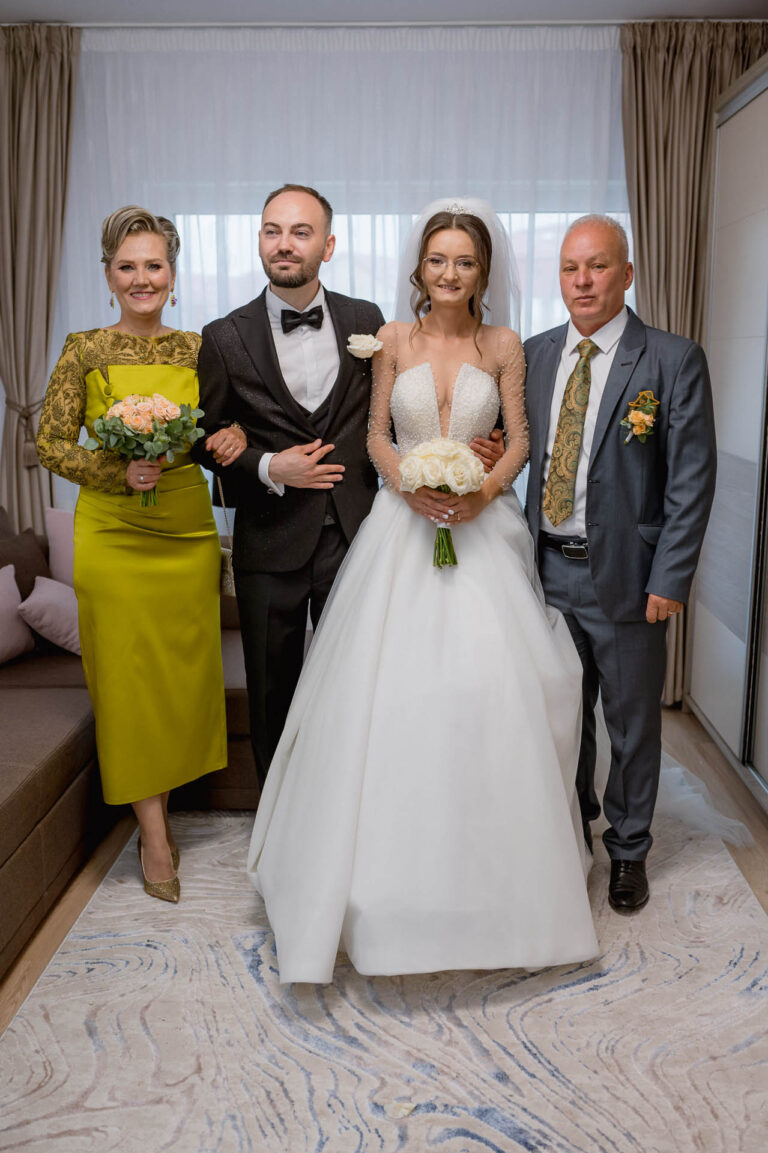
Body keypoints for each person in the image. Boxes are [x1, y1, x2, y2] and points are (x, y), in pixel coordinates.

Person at [246, 200, 599, 984]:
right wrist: (409, 486)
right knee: (389, 698)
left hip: (482, 529)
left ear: (482, 272)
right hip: (400, 528)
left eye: (464, 262)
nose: (449, 273)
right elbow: (376, 433)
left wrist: (479, 492)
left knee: (487, 693)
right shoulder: (392, 339)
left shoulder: (503, 344)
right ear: (419, 268)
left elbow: (520, 440)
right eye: (438, 260)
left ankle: (496, 876)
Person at [193, 184, 505, 789]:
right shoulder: (223, 335)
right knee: (272, 697)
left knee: (363, 690)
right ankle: (277, 823)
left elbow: (404, 410)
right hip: (270, 540)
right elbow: (205, 438)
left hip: (361, 536)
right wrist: (267, 466)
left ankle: (350, 811)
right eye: (272, 231)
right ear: (259, 240)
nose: (285, 244)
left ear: (328, 245)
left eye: (301, 232)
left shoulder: (368, 321)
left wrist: (481, 443)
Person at [37, 206, 245, 903]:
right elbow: (50, 441)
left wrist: (235, 440)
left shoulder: (199, 348)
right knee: (125, 681)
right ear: (108, 276)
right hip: (112, 533)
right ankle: (154, 834)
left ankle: (168, 796)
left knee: (179, 678)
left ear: (173, 275)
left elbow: (226, 427)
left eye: (154, 265)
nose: (141, 278)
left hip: (185, 529)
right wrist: (113, 470)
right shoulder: (83, 350)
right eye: (127, 267)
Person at [524, 214, 717, 914]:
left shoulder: (671, 359)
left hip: (631, 576)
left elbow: (691, 481)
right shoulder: (535, 354)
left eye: (598, 265)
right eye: (570, 267)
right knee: (562, 716)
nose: (582, 280)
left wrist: (671, 577)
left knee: (631, 723)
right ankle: (571, 831)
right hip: (545, 571)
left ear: (627, 273)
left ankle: (629, 848)